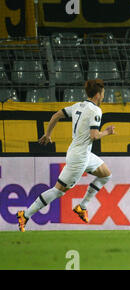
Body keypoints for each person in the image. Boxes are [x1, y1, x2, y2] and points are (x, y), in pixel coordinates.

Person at [16, 79, 115, 232]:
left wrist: (48, 134)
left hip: (81, 152)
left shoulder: (78, 106)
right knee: (58, 190)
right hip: (79, 158)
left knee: (105, 175)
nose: (103, 97)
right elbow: (94, 135)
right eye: (102, 94)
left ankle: (82, 207)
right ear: (97, 95)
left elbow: (57, 115)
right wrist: (107, 132)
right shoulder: (95, 111)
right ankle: (25, 215)